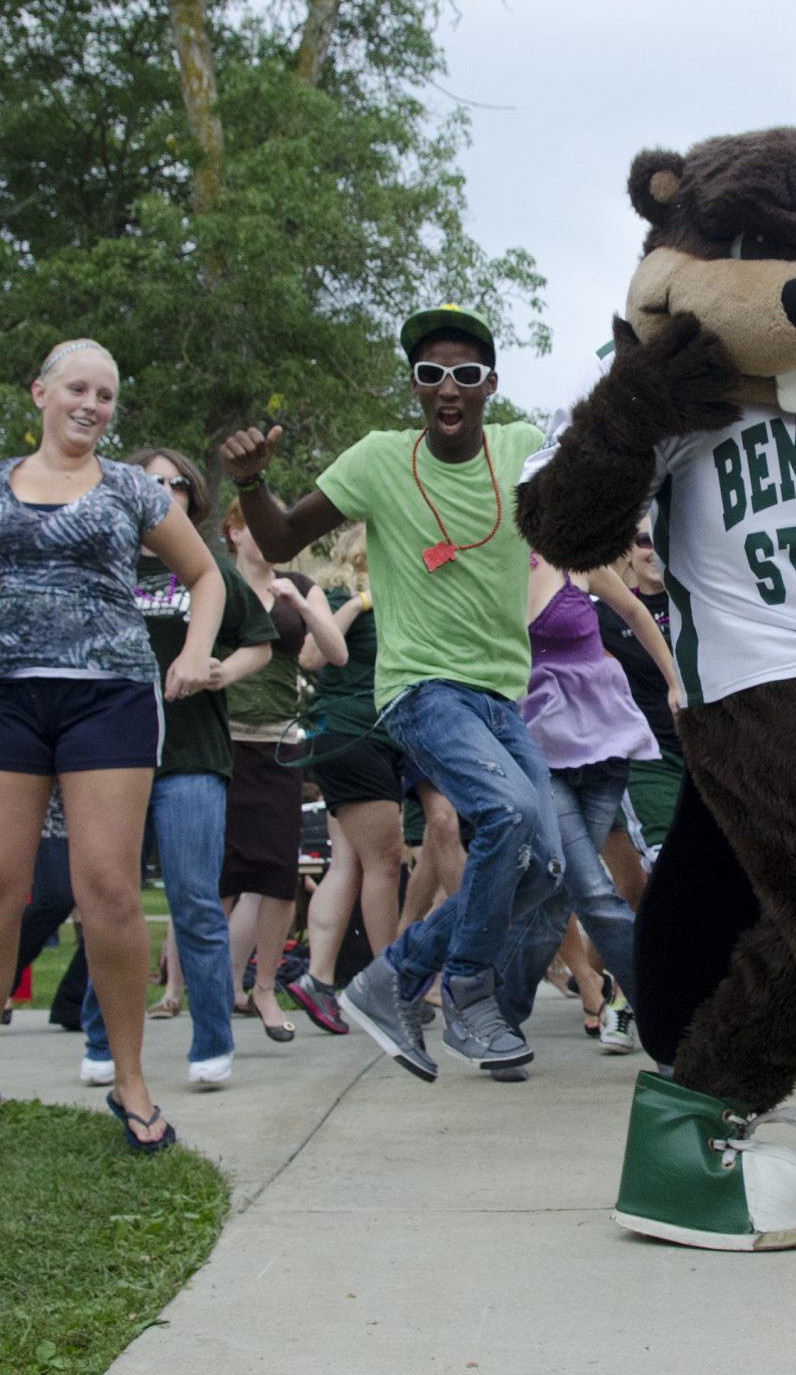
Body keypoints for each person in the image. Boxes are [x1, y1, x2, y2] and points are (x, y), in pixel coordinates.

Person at [0, 338, 225, 1157]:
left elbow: (205, 576)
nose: (92, 405)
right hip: (4, 696)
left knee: (106, 887)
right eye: (78, 388)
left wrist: (191, 651)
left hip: (109, 697)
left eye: (106, 395)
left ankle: (130, 1078)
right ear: (40, 391)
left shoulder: (134, 488)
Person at [224, 306, 561, 1079]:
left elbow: (599, 456)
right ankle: (468, 989)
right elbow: (279, 542)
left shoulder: (518, 448)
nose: (449, 388)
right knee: (503, 815)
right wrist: (251, 482)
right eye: (431, 374)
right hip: (420, 685)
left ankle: (384, 980)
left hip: (500, 696)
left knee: (544, 868)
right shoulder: (379, 459)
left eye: (466, 375)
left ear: (490, 386)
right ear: (414, 386)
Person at [75, 447, 278, 1089]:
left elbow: (260, 643)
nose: (164, 491)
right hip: (109, 757)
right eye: (150, 481)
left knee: (195, 899)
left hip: (192, 755)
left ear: (193, 496)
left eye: (177, 483)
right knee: (111, 901)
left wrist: (223, 670)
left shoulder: (211, 571)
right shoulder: (100, 566)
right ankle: (102, 1038)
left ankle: (212, 1042)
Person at [496, 549, 681, 1051]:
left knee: (554, 901)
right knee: (596, 894)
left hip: (604, 746)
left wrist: (674, 681)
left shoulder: (578, 559)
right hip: (539, 748)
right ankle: (674, 1030)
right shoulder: (492, 565)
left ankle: (500, 1018)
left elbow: (637, 612)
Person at [220, 499, 349, 1041]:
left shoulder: (295, 583)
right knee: (220, 875)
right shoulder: (216, 579)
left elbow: (335, 653)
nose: (271, 534)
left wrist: (302, 601)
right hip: (221, 741)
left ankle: (265, 987)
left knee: (277, 874)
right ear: (232, 532)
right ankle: (214, 989)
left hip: (278, 743)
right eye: (256, 524)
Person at [285, 526, 404, 1033]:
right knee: (386, 862)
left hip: (362, 737)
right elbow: (311, 657)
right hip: (348, 735)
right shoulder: (338, 596)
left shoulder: (397, 600)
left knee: (348, 862)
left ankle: (319, 977)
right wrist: (360, 600)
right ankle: (387, 986)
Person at [597, 515, 681, 901]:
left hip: (718, 754)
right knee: (666, 874)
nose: (657, 549)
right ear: (628, 550)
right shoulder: (607, 616)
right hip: (653, 761)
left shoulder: (710, 601)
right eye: (646, 541)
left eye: (664, 537)